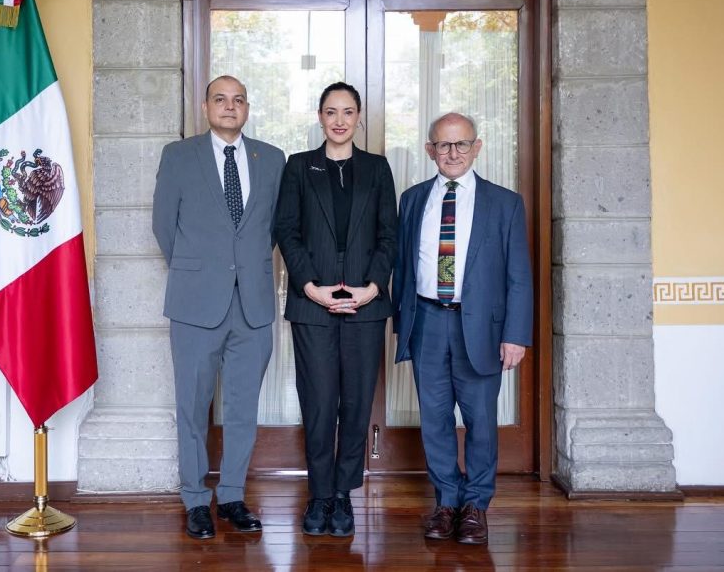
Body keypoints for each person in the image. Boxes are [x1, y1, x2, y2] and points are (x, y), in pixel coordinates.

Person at [152, 75, 286, 539]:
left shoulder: (271, 159)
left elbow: (271, 229)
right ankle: (194, 499)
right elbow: (163, 226)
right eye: (221, 99)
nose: (230, 107)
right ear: (206, 106)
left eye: (239, 100)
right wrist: (200, 270)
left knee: (243, 407)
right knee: (192, 405)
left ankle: (231, 495)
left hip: (252, 305)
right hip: (195, 304)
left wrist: (240, 268)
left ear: (247, 108)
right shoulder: (179, 156)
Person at [392, 112, 533, 545]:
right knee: (434, 420)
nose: (452, 153)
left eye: (461, 144)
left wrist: (516, 334)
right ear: (429, 149)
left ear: (477, 147)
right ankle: (447, 502)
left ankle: (476, 506)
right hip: (428, 322)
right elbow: (402, 262)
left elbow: (518, 276)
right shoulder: (414, 199)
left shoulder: (504, 203)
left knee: (480, 423)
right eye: (443, 145)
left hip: (482, 330)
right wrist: (403, 323)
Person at [274, 82, 397, 537]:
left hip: (366, 304)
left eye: (348, 111)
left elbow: (390, 234)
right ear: (320, 116)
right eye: (331, 111)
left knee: (356, 403)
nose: (340, 120)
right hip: (313, 305)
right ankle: (319, 494)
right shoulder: (298, 167)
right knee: (320, 403)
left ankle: (344, 494)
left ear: (359, 117)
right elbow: (287, 230)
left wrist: (372, 287)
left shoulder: (378, 168)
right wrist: (309, 286)